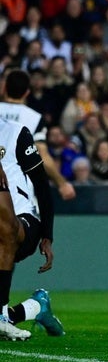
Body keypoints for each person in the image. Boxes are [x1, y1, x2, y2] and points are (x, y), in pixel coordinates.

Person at [0, 117, 64, 340]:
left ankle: (1, 318)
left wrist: (47, 235)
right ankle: (36, 306)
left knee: (3, 229)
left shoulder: (15, 132)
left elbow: (42, 184)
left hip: (23, 221)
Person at [0, 69, 76, 201]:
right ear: (27, 92)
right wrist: (62, 183)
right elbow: (42, 155)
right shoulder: (34, 118)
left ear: (4, 88)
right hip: (19, 190)